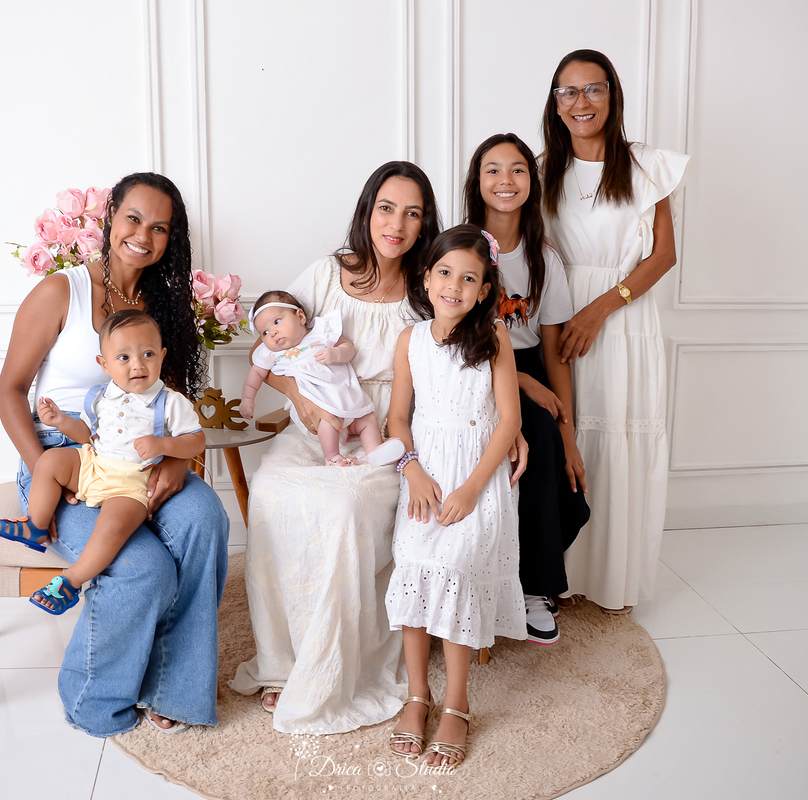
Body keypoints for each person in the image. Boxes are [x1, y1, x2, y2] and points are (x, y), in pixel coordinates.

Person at [0, 172, 230, 736]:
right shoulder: (63, 291)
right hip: (63, 457)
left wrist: (176, 461)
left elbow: (171, 403)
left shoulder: (164, 305)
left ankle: (173, 690)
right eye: (133, 219)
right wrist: (47, 469)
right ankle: (91, 700)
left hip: (141, 458)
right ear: (109, 219)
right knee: (142, 567)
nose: (143, 236)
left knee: (205, 518)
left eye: (160, 228)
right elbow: (9, 391)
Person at [230, 161, 450, 734]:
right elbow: (268, 347)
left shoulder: (429, 286)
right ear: (367, 210)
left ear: (425, 223)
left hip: (387, 428)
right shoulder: (327, 274)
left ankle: (335, 666)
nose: (396, 224)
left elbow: (465, 356)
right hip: (318, 421)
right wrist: (299, 399)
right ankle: (283, 662)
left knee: (344, 507)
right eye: (386, 208)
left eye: (412, 213)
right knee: (272, 491)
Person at [541, 49, 690, 612]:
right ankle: (557, 576)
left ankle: (612, 580)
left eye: (593, 88)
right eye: (568, 91)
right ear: (555, 104)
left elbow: (663, 255)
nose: (581, 102)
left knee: (618, 439)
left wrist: (600, 308)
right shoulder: (539, 169)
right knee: (568, 436)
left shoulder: (646, 165)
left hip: (624, 319)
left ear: (613, 95)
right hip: (559, 316)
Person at [384, 226, 526, 768]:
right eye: (444, 273)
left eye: (469, 279)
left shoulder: (494, 339)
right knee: (414, 563)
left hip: (476, 480)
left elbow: (508, 421)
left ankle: (457, 703)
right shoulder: (410, 340)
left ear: (485, 290)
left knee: (456, 568)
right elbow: (398, 420)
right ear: (426, 278)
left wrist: (471, 488)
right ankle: (418, 695)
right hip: (426, 476)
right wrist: (413, 471)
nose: (454, 286)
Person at [0, 310, 205, 615]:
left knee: (111, 528)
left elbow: (197, 440)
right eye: (124, 358)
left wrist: (163, 445)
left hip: (131, 483)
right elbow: (86, 435)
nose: (138, 365)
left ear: (162, 355)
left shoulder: (170, 401)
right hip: (94, 464)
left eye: (148, 354)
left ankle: (71, 582)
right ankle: (36, 525)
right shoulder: (101, 396)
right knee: (50, 461)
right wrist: (61, 421)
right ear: (104, 364)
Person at [464, 133, 591, 644]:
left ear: (531, 182)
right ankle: (522, 584)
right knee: (532, 427)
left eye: (517, 169)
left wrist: (570, 436)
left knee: (549, 441)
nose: (505, 180)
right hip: (472, 363)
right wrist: (516, 379)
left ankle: (533, 585)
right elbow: (447, 333)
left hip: (530, 364)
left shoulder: (544, 259)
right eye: (492, 170)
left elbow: (555, 354)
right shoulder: (460, 246)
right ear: (477, 181)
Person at [238, 290, 405, 468]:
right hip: (315, 407)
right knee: (327, 420)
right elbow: (255, 375)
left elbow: (348, 348)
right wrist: (247, 399)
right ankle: (332, 456)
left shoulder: (321, 332)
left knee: (368, 419)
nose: (272, 333)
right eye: (264, 332)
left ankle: (374, 451)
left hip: (344, 395)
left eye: (277, 322)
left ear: (300, 317)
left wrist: (336, 353)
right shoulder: (270, 353)